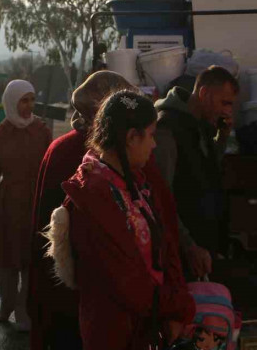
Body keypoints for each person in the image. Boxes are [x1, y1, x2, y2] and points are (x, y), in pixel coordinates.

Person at [47, 90, 195, 350]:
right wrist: (180, 306)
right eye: (150, 135)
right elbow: (128, 284)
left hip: (146, 324)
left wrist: (173, 309)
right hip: (116, 333)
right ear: (130, 138)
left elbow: (165, 245)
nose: (154, 144)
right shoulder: (92, 197)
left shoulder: (134, 181)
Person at [27, 71, 136, 350]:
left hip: (58, 288)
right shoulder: (110, 154)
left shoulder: (58, 147)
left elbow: (39, 227)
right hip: (93, 295)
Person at [154, 66, 239, 280]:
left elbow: (203, 169)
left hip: (201, 248)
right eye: (224, 103)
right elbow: (162, 196)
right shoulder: (168, 128)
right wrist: (189, 246)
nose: (228, 111)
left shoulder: (199, 123)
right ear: (204, 94)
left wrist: (222, 136)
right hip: (183, 253)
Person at [0, 79, 52, 332]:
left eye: (32, 99)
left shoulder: (42, 131)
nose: (29, 105)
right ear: (12, 102)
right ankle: (6, 304)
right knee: (5, 260)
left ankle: (24, 310)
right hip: (7, 206)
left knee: (30, 261)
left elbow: (49, 171)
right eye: (24, 100)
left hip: (34, 204)